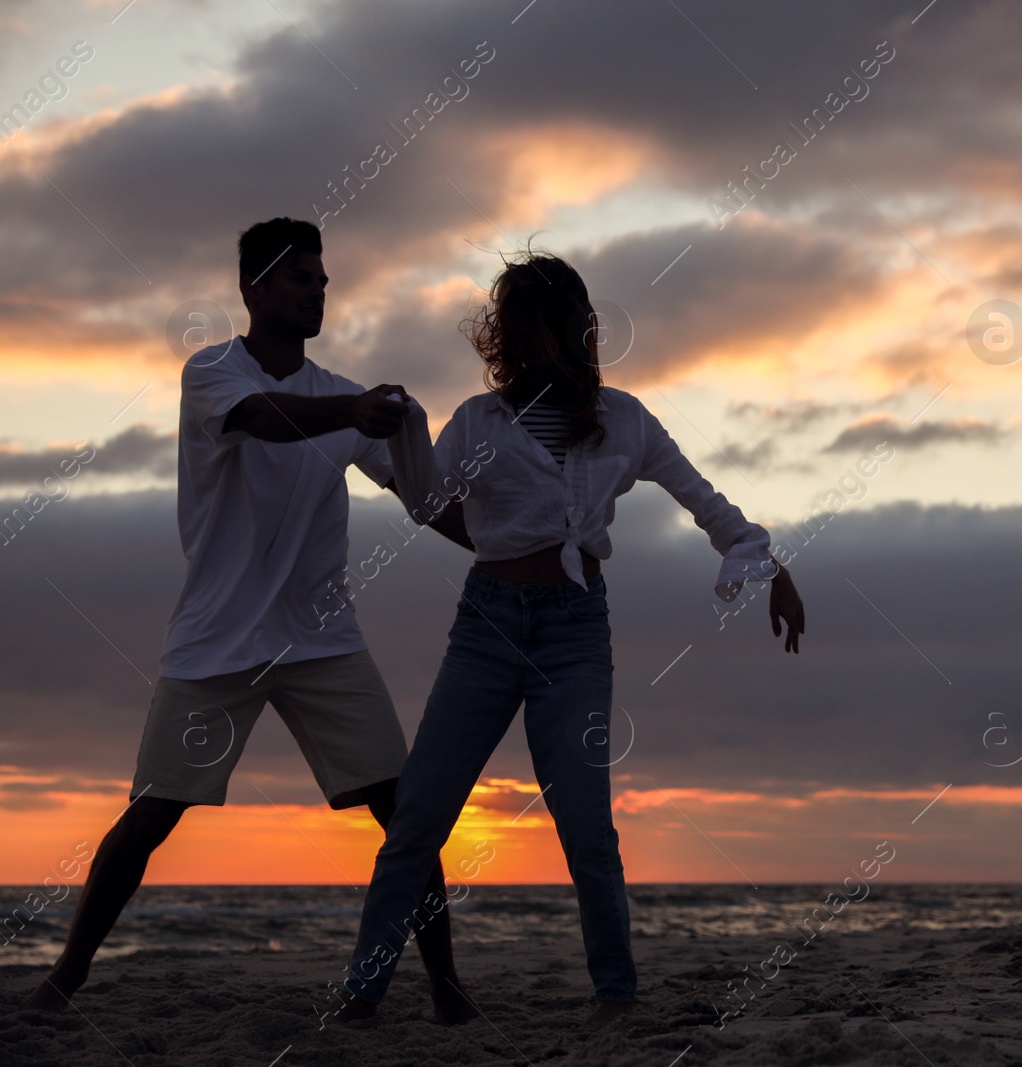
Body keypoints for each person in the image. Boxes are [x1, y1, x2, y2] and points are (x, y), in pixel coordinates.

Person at [326, 251, 805, 1027]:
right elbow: (429, 498)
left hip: (575, 633)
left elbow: (701, 497)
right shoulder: (478, 421)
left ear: (573, 329)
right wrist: (406, 428)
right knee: (418, 817)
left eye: (540, 324)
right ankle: (362, 993)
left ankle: (615, 995)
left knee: (587, 823)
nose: (526, 342)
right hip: (485, 626)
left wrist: (767, 563)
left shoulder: (626, 419)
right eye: (514, 327)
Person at [23, 218, 478, 1025]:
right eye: (301, 279)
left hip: (322, 638)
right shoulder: (213, 372)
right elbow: (265, 418)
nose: (317, 292)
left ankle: (446, 986)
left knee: (404, 814)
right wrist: (354, 407)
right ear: (254, 290)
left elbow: (423, 499)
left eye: (323, 281)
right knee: (153, 812)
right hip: (216, 638)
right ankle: (67, 974)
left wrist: (512, 545)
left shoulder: (344, 398)